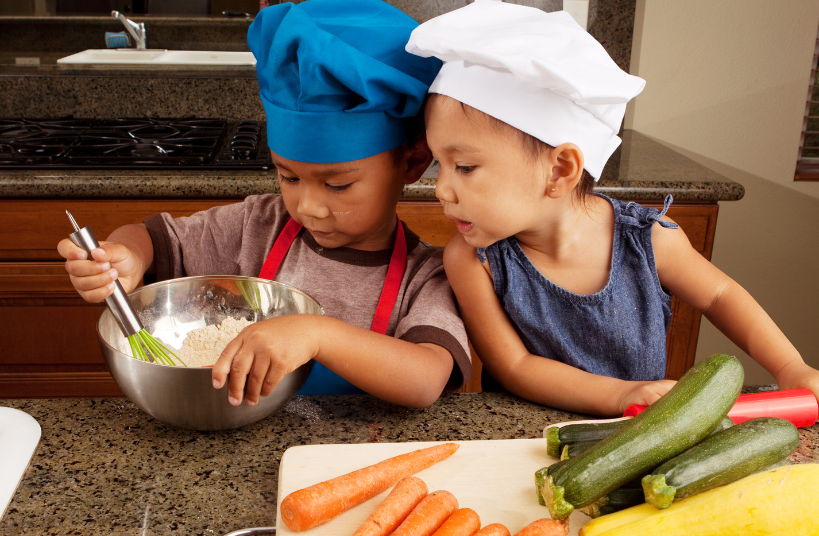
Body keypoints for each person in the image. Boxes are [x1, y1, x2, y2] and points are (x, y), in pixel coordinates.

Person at [406, 0, 819, 416]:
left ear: (561, 171)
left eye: (464, 166)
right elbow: (515, 365)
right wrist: (619, 396)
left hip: (637, 435)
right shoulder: (473, 260)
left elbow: (719, 296)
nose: (441, 189)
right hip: (523, 439)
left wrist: (789, 367)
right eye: (440, 165)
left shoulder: (649, 239)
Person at [57, 0, 471, 408]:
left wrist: (316, 335)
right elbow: (153, 237)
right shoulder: (256, 226)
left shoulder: (426, 275)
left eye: (338, 185)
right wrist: (124, 256)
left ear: (412, 162)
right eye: (289, 176)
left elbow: (425, 380)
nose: (307, 206)